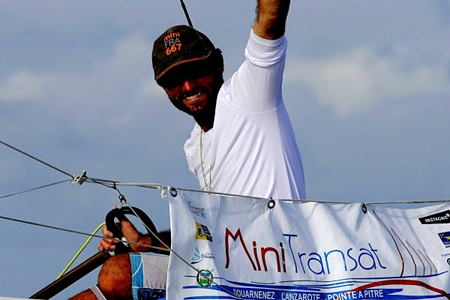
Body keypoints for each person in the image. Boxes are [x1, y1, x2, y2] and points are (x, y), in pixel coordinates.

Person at [70, 0, 305, 299]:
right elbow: (209, 238)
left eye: (195, 70)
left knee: (117, 274)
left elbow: (271, 20)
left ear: (218, 64)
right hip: (227, 272)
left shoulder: (250, 94)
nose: (188, 85)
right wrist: (147, 242)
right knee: (93, 295)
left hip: (278, 272)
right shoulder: (194, 145)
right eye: (173, 81)